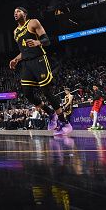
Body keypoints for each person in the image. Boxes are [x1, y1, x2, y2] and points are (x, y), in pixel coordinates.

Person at [9, 7, 72, 135]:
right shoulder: (15, 32)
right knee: (27, 93)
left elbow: (47, 41)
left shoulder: (33, 23)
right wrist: (16, 59)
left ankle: (64, 122)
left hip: (39, 60)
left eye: (18, 11)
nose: (15, 13)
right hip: (26, 63)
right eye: (14, 12)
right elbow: (23, 51)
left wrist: (38, 42)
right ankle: (50, 113)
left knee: (46, 92)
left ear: (25, 13)